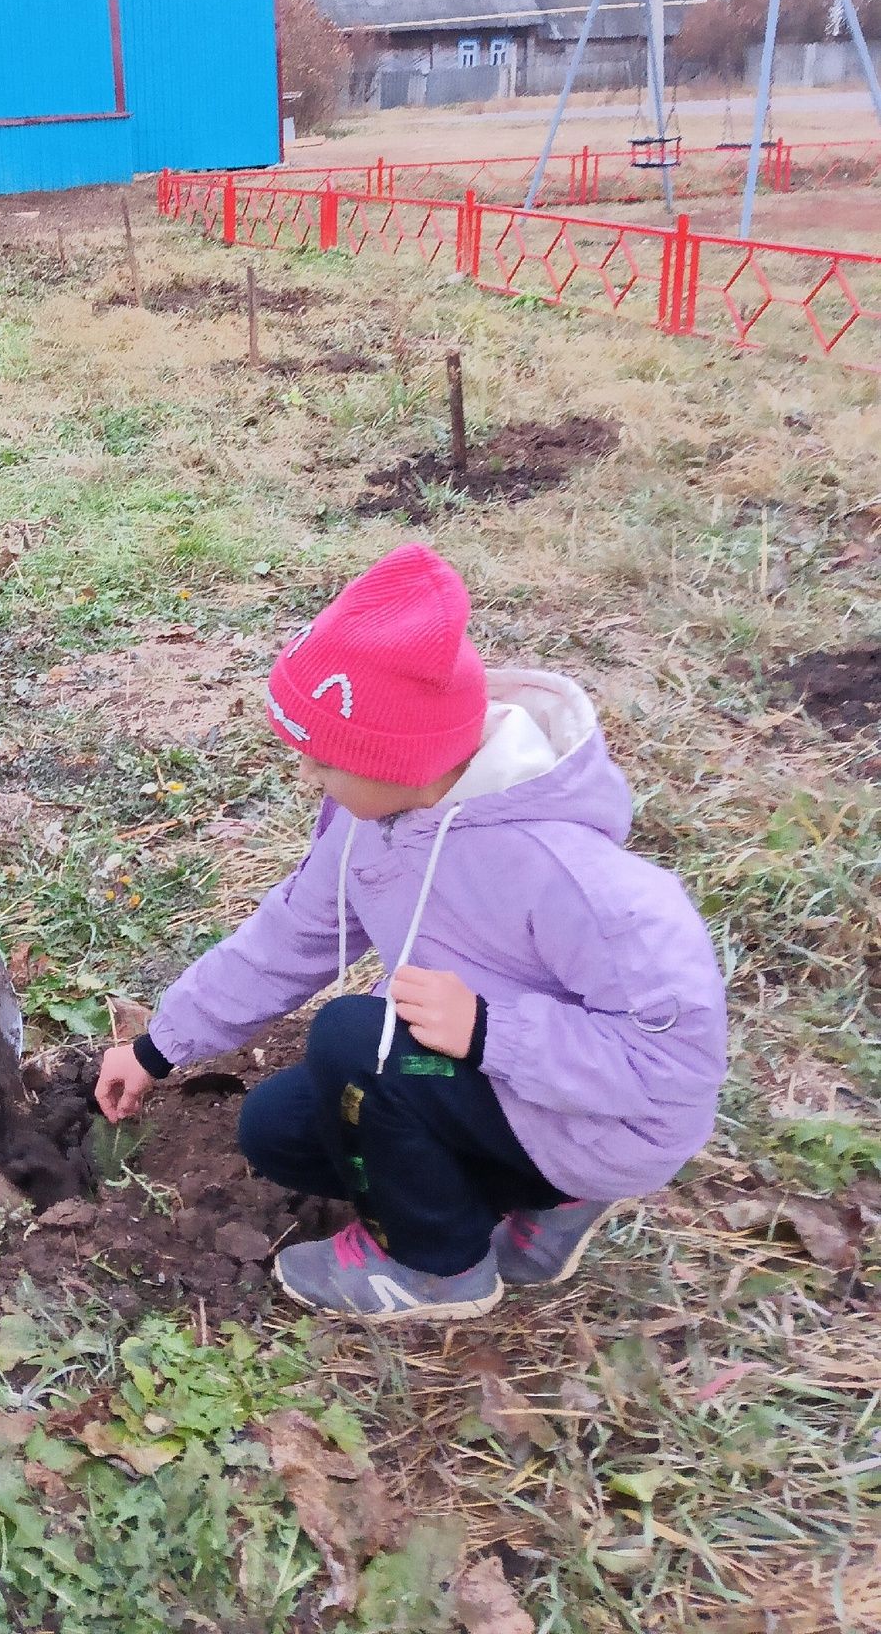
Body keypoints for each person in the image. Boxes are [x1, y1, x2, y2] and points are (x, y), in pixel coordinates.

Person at [94, 543, 727, 1320]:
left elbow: (675, 1066)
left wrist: (493, 1033)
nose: (307, 779)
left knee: (356, 1042)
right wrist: (158, 1048)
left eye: (323, 763)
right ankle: (542, 1202)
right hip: (491, 1091)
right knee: (278, 1131)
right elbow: (285, 940)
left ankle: (438, 1264)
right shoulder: (381, 826)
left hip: (600, 1116)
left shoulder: (573, 876)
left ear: (395, 761)